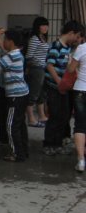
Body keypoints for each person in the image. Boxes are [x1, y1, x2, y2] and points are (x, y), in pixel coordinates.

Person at [0, 30, 29, 162]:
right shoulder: (16, 54)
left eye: (5, 39)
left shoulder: (11, 56)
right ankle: (23, 151)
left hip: (15, 96)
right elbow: (0, 54)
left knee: (11, 125)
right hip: (22, 94)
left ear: (10, 42)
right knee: (20, 124)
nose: (3, 42)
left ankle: (17, 154)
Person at [42, 21, 83, 156]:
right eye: (76, 36)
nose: (76, 39)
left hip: (63, 88)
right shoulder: (56, 46)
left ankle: (58, 143)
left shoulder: (67, 48)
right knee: (54, 115)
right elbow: (49, 65)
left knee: (64, 116)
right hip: (54, 88)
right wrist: (59, 81)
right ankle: (49, 144)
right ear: (70, 33)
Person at [67, 26, 86, 171]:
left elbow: (70, 69)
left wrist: (71, 61)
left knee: (80, 125)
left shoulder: (81, 48)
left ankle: (81, 161)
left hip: (80, 90)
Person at [25, 17, 50, 127]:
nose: (45, 27)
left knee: (41, 94)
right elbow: (29, 56)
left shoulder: (43, 38)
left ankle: (42, 116)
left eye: (46, 25)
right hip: (36, 69)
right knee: (34, 94)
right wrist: (39, 64)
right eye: (43, 25)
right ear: (37, 26)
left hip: (42, 69)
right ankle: (31, 118)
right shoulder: (34, 39)